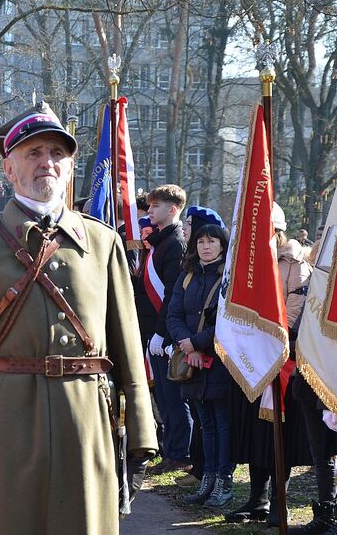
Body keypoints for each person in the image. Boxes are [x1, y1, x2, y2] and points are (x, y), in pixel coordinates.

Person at [0, 102, 156, 535]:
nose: (47, 163)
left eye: (57, 154)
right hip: (5, 425)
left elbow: (128, 348)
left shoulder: (102, 241)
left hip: (86, 424)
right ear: (10, 168)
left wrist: (140, 437)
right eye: (34, 153)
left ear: (70, 165)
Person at [227, 202, 313, 526]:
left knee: (279, 436)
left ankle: (280, 503)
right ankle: (257, 498)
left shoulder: (293, 264)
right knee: (254, 433)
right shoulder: (246, 261)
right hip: (251, 357)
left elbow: (293, 312)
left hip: (280, 359)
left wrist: (270, 340)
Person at [167, 223, 234, 507]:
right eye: (201, 242)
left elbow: (227, 319)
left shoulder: (228, 277)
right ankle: (207, 480)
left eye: (212, 242)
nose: (206, 247)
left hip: (218, 361)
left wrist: (197, 343)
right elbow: (173, 315)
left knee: (222, 424)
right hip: (192, 360)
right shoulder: (188, 275)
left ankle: (224, 482)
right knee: (205, 425)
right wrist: (186, 344)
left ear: (222, 245)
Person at [138, 185, 192, 475]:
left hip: (166, 335)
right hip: (154, 332)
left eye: (154, 207)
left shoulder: (174, 244)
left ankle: (180, 454)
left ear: (172, 210)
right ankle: (171, 450)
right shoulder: (159, 243)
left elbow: (172, 294)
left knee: (173, 395)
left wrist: (164, 333)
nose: (149, 212)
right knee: (164, 396)